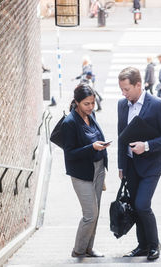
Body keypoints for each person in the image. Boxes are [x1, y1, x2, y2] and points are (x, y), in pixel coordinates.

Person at [117, 67, 161, 261]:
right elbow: (121, 137)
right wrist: (121, 165)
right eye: (121, 89)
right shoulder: (122, 104)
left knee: (142, 205)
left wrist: (147, 146)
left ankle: (154, 244)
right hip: (130, 166)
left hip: (151, 166)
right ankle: (142, 246)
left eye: (126, 89)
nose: (123, 93)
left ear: (138, 85)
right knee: (135, 207)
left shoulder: (158, 105)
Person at [62, 84, 110, 258]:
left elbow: (96, 137)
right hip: (82, 174)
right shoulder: (70, 123)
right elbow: (69, 154)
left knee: (96, 213)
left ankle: (89, 248)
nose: (90, 107)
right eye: (86, 104)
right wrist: (92, 147)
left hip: (98, 169)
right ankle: (78, 250)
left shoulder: (92, 115)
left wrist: (101, 150)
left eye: (92, 103)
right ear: (76, 102)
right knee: (90, 214)